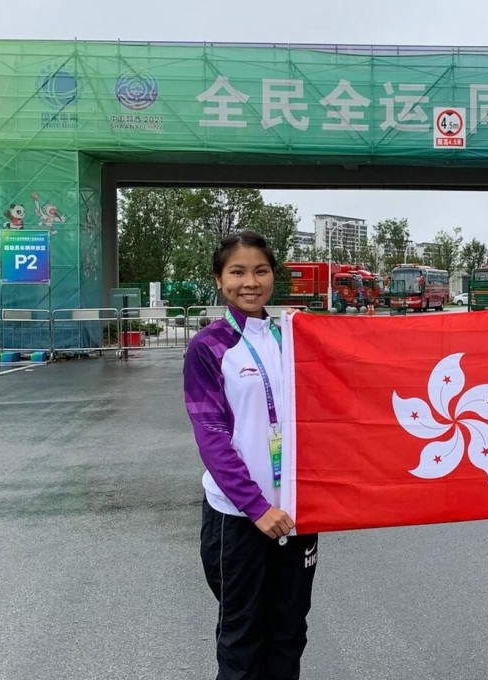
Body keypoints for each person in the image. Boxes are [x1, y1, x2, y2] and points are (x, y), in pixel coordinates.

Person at [183, 230, 318, 680]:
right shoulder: (209, 346)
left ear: (273, 276)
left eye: (260, 270)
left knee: (289, 633)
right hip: (238, 519)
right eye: (237, 271)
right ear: (219, 280)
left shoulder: (294, 341)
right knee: (242, 638)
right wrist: (256, 506)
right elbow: (212, 436)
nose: (250, 281)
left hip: (297, 516)